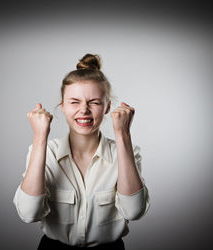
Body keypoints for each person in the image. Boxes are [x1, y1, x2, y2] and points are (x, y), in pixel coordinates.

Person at [13, 53, 150, 249]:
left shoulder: (127, 151)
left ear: (107, 106)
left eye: (94, 102)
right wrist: (39, 137)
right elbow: (28, 214)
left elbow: (134, 212)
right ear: (62, 106)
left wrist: (123, 135)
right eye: (74, 102)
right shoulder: (47, 152)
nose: (84, 110)